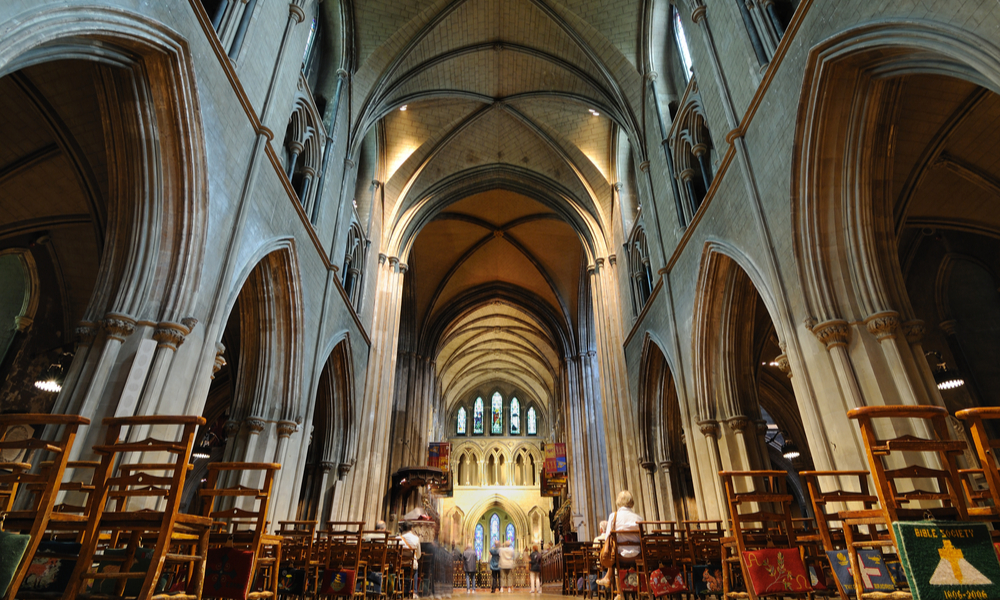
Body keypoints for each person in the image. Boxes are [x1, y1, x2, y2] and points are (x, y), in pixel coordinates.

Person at [595, 490, 643, 600]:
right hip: (638, 555)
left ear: (618, 502)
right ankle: (640, 590)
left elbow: (607, 537)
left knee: (614, 559)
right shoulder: (638, 518)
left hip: (620, 556)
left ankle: (619, 592)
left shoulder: (614, 516)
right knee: (616, 558)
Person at [399, 522, 422, 598]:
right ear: (411, 529)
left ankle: (398, 590)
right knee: (415, 569)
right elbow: (418, 555)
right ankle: (414, 592)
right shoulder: (416, 539)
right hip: (411, 564)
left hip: (399, 564)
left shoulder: (398, 538)